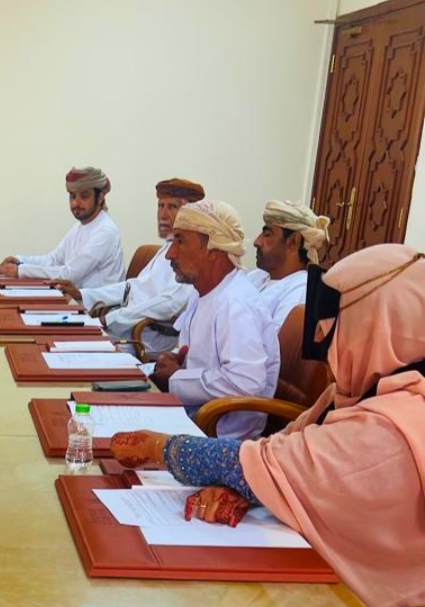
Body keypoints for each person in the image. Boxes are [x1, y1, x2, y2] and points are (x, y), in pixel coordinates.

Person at [110, 244, 425, 607]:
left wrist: (159, 448)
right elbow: (284, 452)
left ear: (376, 328)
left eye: (335, 326)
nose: (321, 340)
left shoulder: (395, 428)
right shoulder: (360, 392)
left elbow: (275, 463)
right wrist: (252, 486)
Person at [151, 199, 279, 440]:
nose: (170, 253)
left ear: (214, 251)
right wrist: (176, 361)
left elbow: (246, 382)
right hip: (191, 414)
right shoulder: (204, 292)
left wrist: (177, 377)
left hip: (217, 433)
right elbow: (200, 358)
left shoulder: (235, 303)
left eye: (180, 241)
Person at [58, 178, 204, 355]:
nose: (163, 214)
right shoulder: (167, 248)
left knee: (70, 348)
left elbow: (169, 304)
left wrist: (111, 319)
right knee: (60, 336)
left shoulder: (194, 256)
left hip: (146, 337)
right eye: (160, 206)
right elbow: (134, 286)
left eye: (172, 207)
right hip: (125, 327)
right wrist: (83, 294)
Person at [0, 166, 124, 288]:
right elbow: (53, 260)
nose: (76, 203)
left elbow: (69, 274)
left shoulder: (105, 231)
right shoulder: (79, 227)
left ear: (100, 198)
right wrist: (20, 260)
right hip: (76, 300)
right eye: (72, 196)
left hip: (99, 305)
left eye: (84, 196)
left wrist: (20, 271)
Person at [248, 200, 330, 327]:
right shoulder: (257, 276)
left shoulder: (300, 292)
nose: (257, 242)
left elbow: (273, 341)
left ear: (293, 242)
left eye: (267, 235)